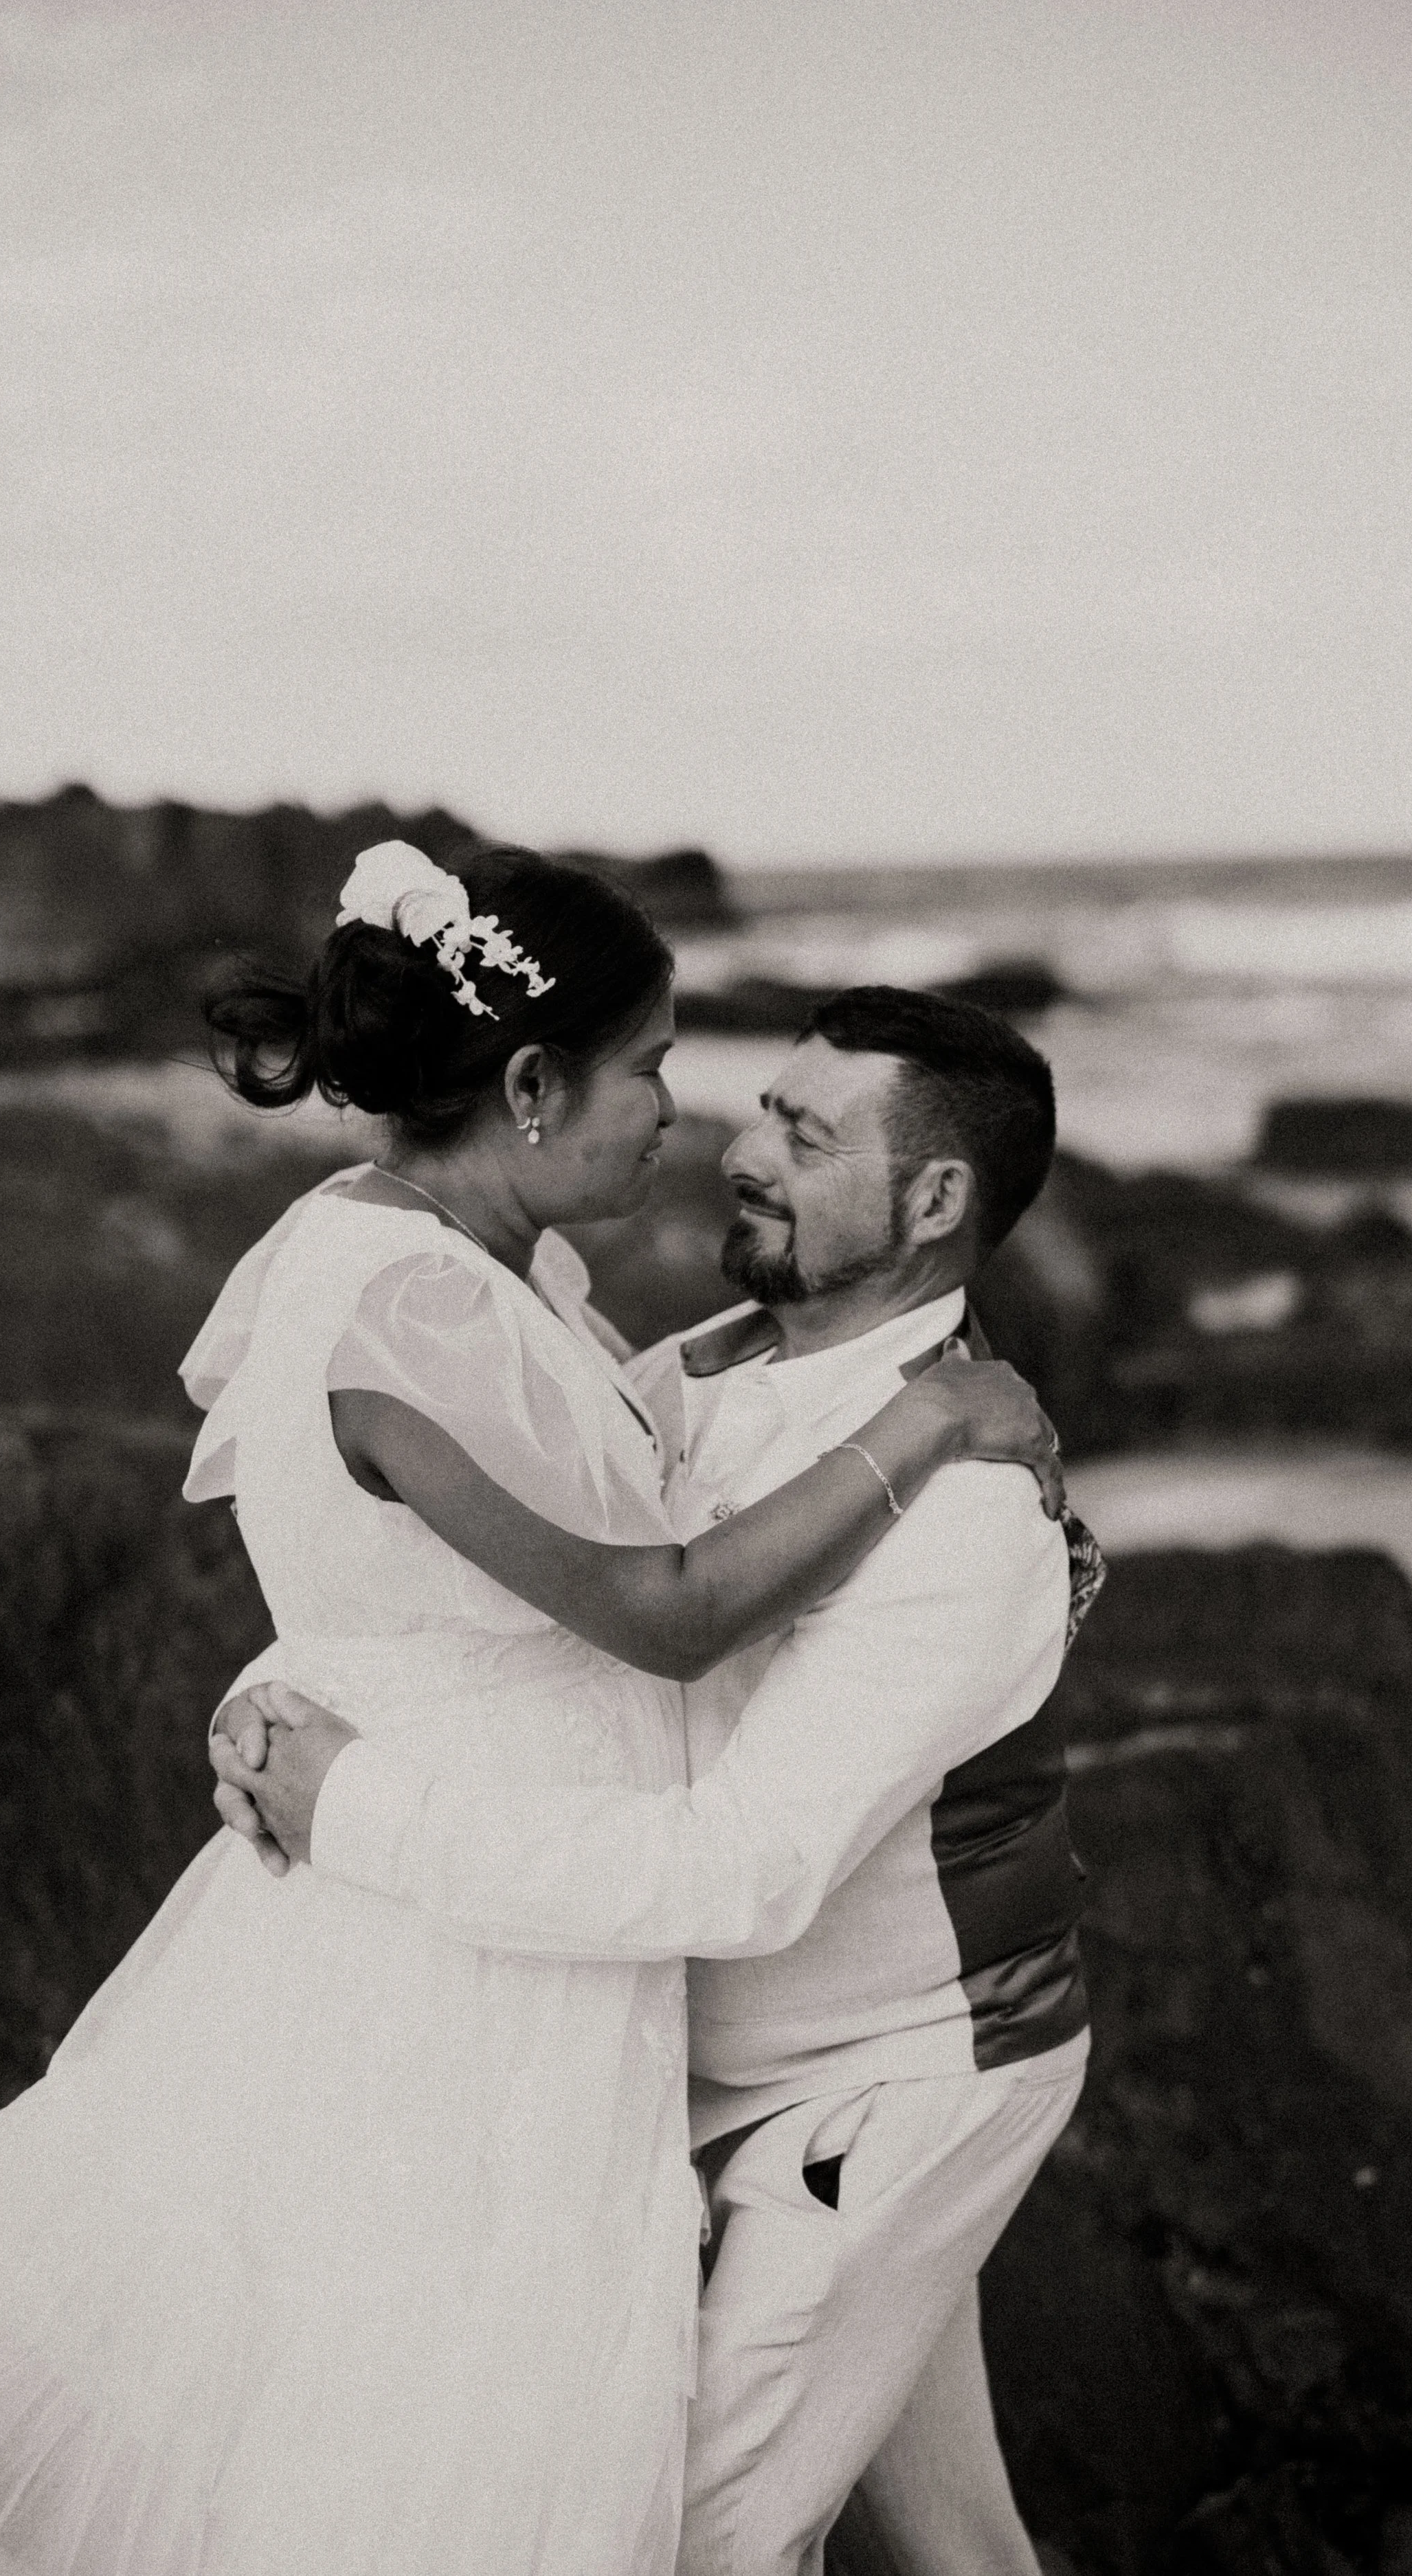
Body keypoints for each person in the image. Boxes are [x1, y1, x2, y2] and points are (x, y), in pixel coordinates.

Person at [0, 842, 1059, 2576]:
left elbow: (557, 1515)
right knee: (444, 2446)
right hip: (500, 1977)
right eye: (668, 1073)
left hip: (751, 2031)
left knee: (650, 2511)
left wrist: (322, 1701)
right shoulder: (446, 1299)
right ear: (527, 1087)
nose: (701, 1128)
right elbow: (632, 1593)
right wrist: (930, 1419)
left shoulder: (516, 1287)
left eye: (789, 1128)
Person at [214, 982, 1105, 2576]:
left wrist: (352, 1808)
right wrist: (292, 1699)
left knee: (679, 2539)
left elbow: (734, 1872)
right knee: (959, 2542)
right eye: (760, 1108)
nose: (737, 1148)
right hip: (684, 2066)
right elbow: (505, 1621)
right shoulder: (688, 1367)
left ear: (935, 1202)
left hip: (874, 2085)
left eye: (802, 1134)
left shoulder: (967, 1511)